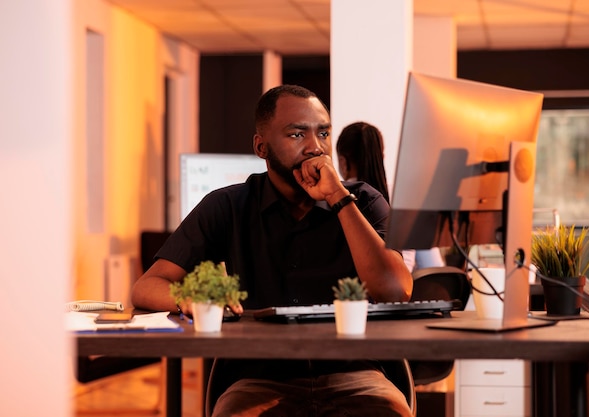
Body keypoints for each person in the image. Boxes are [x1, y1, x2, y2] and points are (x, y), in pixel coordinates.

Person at [132, 84, 414, 417]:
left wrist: (338, 198)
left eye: (323, 134)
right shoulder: (228, 206)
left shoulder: (363, 201)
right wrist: (190, 300)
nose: (315, 148)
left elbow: (396, 291)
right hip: (259, 379)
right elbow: (146, 287)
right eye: (297, 135)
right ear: (261, 147)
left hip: (357, 374)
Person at [335, 121, 444, 272]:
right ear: (382, 156)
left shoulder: (337, 202)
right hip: (405, 290)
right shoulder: (406, 198)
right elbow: (433, 267)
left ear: (343, 162)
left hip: (354, 294)